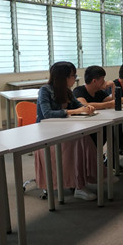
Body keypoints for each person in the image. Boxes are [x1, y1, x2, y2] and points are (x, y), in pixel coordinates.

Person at [35, 61, 98, 201]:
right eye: (73, 75)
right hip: (48, 135)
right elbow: (47, 114)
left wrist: (86, 108)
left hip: (64, 130)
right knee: (82, 140)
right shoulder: (45, 90)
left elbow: (78, 105)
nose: (75, 78)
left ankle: (87, 179)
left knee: (85, 137)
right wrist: (73, 111)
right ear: (63, 77)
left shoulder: (67, 91)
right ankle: (81, 185)